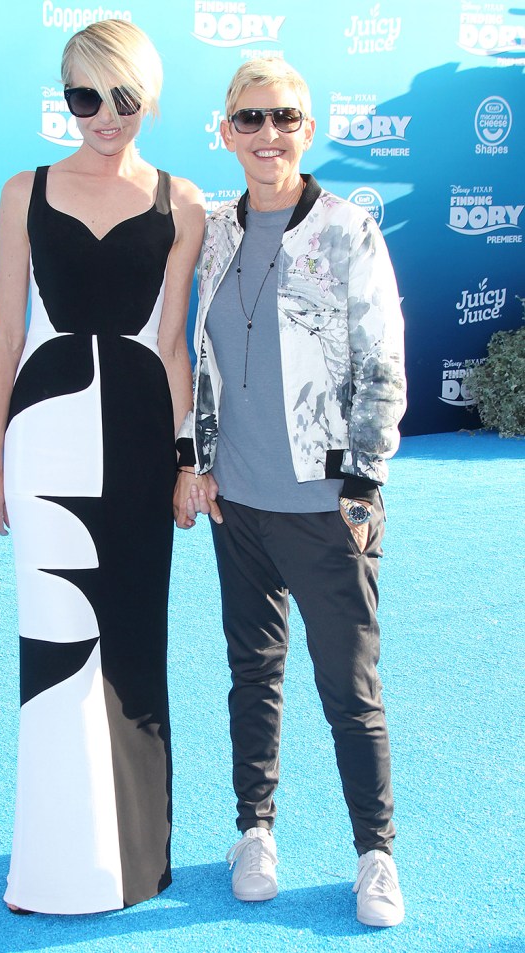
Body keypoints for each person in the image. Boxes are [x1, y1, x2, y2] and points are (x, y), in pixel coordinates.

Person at [0, 20, 204, 914]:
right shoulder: (22, 192)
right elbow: (2, 335)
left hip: (143, 434)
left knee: (137, 638)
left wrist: (188, 462)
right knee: (56, 634)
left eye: (123, 98)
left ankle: (134, 857)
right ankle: (56, 864)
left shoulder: (184, 201)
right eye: (84, 97)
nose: (104, 116)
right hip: (45, 433)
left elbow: (176, 347)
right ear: (64, 98)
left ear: (147, 97)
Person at [173, 58, 407, 928]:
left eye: (285, 118)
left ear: (308, 129)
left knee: (350, 688)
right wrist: (194, 462)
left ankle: (375, 852)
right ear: (226, 131)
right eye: (250, 119)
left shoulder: (347, 230)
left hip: (326, 504)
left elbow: (383, 361)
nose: (268, 134)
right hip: (237, 501)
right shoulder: (214, 227)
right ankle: (254, 829)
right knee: (253, 674)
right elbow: (202, 357)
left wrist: (364, 481)